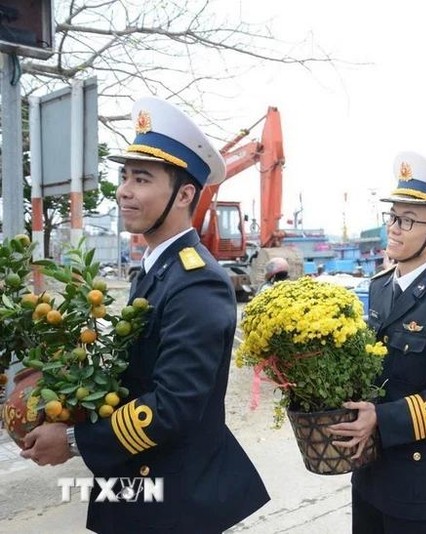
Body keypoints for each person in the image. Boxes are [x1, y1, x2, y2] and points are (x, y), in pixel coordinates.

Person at [20, 97, 269, 532]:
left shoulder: (197, 281)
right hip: (136, 481)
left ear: (184, 194)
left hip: (171, 497)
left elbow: (173, 405)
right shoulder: (156, 269)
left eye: (141, 178)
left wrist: (75, 440)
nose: (123, 190)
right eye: (124, 176)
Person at [328, 151, 426, 534]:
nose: (394, 229)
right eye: (393, 217)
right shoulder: (380, 287)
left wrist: (382, 417)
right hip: (370, 466)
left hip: (417, 472)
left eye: (408, 220)